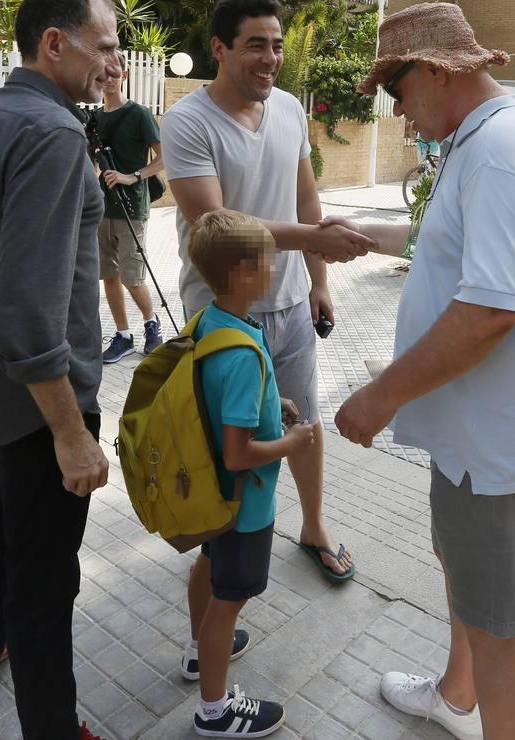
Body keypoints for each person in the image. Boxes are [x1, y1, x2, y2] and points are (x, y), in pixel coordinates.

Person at [328, 2, 515, 739]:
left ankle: (481, 706)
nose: (396, 111)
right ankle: (456, 697)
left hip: (502, 446)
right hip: (481, 434)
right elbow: (453, 252)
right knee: (465, 572)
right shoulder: (485, 143)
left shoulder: (502, 152)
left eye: (397, 90)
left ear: (435, 71)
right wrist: (365, 235)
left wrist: (379, 396)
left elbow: (490, 310)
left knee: (496, 623)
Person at [0, 0, 114, 740]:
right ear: (54, 44)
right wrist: (71, 433)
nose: (113, 61)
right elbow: (27, 308)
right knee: (45, 582)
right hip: (40, 403)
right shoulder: (52, 133)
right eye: (104, 46)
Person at [162, 0, 375, 583]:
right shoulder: (187, 122)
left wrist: (319, 281)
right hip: (225, 315)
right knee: (228, 442)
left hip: (289, 308)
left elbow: (308, 199)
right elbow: (216, 227)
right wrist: (313, 239)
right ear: (219, 49)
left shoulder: (288, 108)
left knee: (305, 423)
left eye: (277, 46)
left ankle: (313, 526)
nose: (270, 58)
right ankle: (217, 546)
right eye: (256, 45)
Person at [182, 209, 315, 737]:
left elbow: (225, 405)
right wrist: (293, 441)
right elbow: (240, 454)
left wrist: (270, 401)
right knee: (229, 602)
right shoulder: (243, 354)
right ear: (241, 274)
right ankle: (214, 711)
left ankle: (199, 652)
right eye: (266, 261)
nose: (275, 268)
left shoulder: (215, 324)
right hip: (244, 503)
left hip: (217, 500)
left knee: (209, 568)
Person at [94, 55, 166, 362]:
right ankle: (123, 336)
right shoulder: (95, 119)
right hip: (102, 207)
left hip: (132, 206)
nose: (107, 79)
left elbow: (165, 158)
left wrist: (132, 176)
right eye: (102, 74)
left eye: (113, 73)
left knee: (132, 276)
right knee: (108, 275)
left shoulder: (139, 114)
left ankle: (152, 325)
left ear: (124, 74)